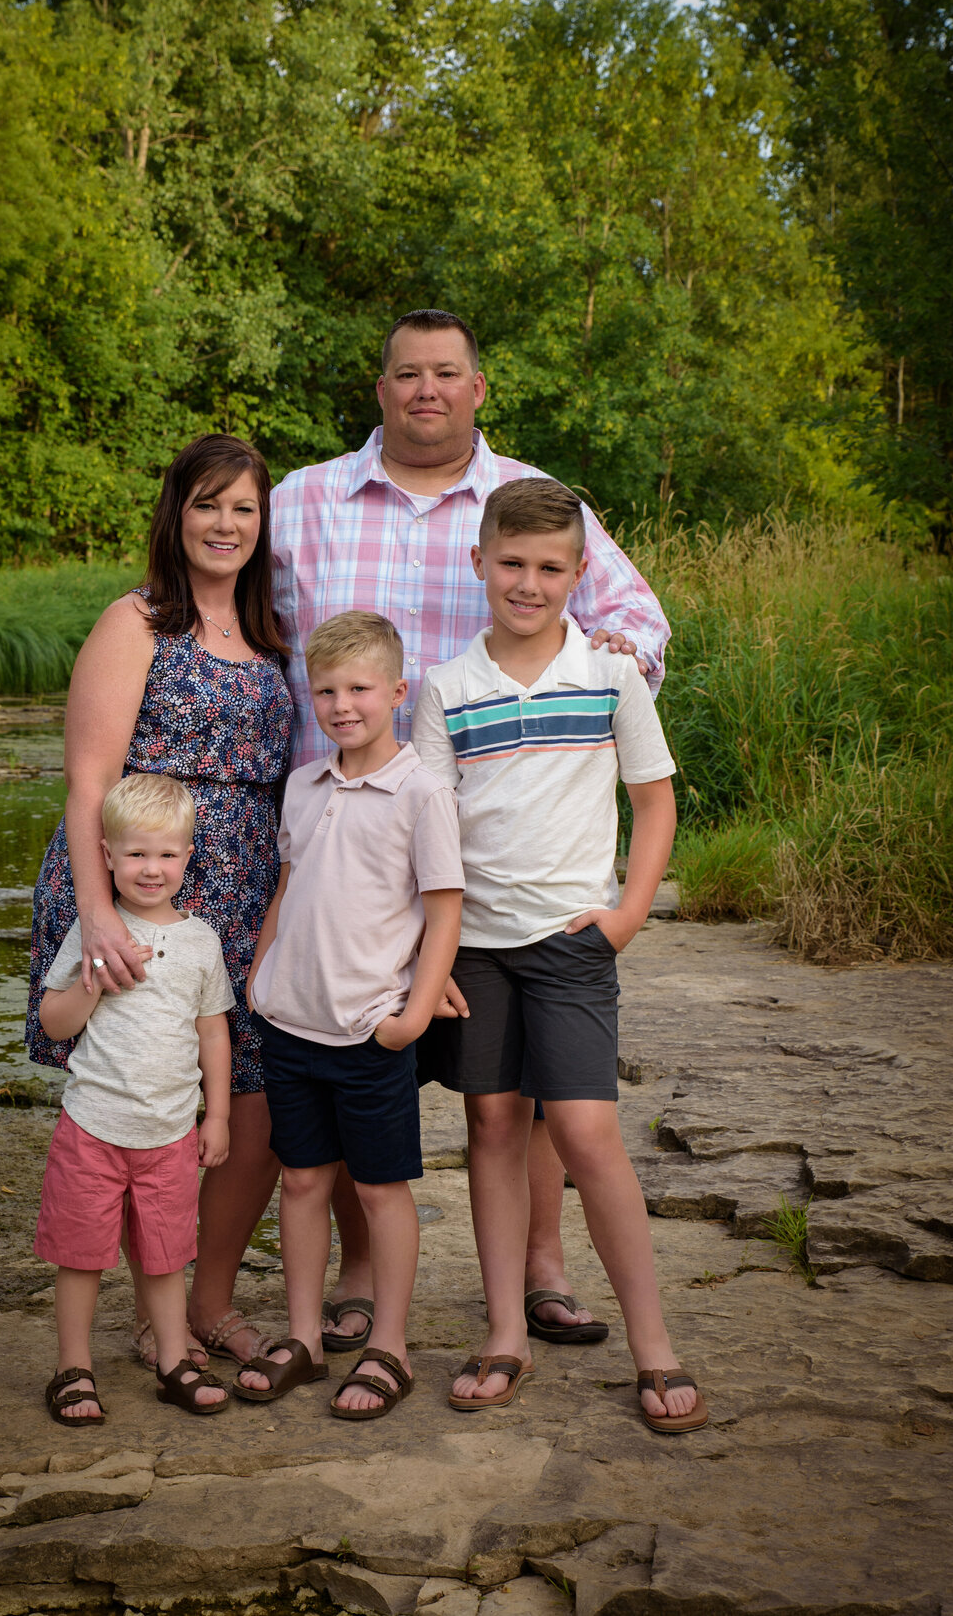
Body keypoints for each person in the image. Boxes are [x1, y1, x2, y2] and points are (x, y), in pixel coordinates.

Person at [269, 308, 671, 1350]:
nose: (427, 391)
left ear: (479, 387)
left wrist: (593, 681)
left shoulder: (526, 502)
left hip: (500, 845)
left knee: (521, 1091)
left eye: (448, 373)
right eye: (407, 374)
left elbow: (635, 618)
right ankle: (362, 1264)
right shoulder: (301, 501)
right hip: (352, 827)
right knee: (370, 1044)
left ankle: (541, 1266)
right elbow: (232, 601)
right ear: (382, 388)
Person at [412, 477, 707, 1432]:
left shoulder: (610, 674)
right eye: (511, 564)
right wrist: (435, 954)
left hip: (572, 943)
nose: (528, 583)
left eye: (549, 568)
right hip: (477, 950)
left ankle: (653, 1342)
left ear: (580, 575)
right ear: (479, 566)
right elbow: (425, 833)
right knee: (494, 1124)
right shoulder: (446, 689)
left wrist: (628, 915)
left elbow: (654, 801)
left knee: (584, 1132)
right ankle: (505, 1333)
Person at [26, 434, 293, 1376]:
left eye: (244, 509)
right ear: (175, 513)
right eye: (207, 504)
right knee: (142, 1094)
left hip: (241, 897)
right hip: (141, 887)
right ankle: (154, 1318)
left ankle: (201, 1302)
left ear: (263, 526)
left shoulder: (273, 636)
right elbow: (90, 778)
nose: (226, 524)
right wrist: (96, 915)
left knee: (250, 1104)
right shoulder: (136, 621)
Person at [234, 612, 464, 1418]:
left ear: (398, 692)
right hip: (289, 1022)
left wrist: (411, 1015)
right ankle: (301, 1335)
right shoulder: (305, 782)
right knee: (300, 1181)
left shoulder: (423, 792)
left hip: (369, 1029)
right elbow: (290, 886)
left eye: (360, 688)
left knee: (379, 1190)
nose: (341, 704)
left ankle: (389, 1347)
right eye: (325, 690)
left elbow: (444, 911)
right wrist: (260, 974)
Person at [36, 773, 233, 1422]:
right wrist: (94, 979)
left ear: (187, 855)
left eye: (167, 853)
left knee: (166, 1253)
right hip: (92, 1126)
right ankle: (73, 1367)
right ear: (108, 855)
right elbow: (54, 1021)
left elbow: (213, 1032)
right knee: (82, 1254)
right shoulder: (94, 932)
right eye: (137, 854)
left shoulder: (201, 940)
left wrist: (219, 1114)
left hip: (170, 1132)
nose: (153, 868)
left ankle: (174, 1359)